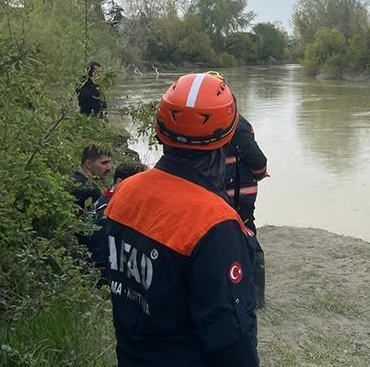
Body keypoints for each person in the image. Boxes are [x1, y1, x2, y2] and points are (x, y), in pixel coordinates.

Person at [104, 73, 259, 367]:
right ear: (227, 140)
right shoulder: (215, 221)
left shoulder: (123, 193)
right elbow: (230, 337)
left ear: (159, 132)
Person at [224, 113, 269, 308]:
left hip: (223, 194)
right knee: (247, 239)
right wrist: (259, 174)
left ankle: (247, 294)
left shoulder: (191, 123)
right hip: (237, 196)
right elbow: (258, 161)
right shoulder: (238, 124)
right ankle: (254, 296)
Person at [85, 162, 147, 275]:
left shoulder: (104, 201)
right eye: (138, 185)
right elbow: (99, 259)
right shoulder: (106, 213)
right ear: (120, 182)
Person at [70, 145, 113, 210]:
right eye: (104, 163)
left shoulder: (71, 179)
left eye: (110, 163)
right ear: (88, 164)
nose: (109, 168)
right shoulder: (90, 190)